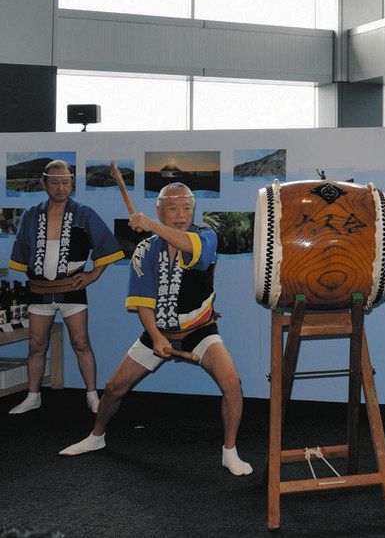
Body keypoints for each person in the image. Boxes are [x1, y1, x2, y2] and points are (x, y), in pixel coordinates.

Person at [57, 183, 252, 476]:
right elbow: (142, 302)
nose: (181, 215)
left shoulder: (206, 236)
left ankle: (230, 451)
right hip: (157, 331)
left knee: (232, 383)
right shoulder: (146, 249)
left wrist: (150, 225)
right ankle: (96, 436)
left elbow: (193, 249)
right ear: (159, 210)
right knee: (113, 387)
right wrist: (158, 337)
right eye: (172, 208)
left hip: (200, 330)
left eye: (187, 208)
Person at [7, 160, 124, 415]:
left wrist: (93, 275)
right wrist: (34, 276)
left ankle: (92, 395)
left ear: (72, 184)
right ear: (44, 183)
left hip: (72, 288)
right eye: (55, 182)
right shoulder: (31, 214)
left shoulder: (84, 213)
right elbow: (23, 251)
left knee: (81, 342)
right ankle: (33, 395)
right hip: (39, 290)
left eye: (66, 182)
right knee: (36, 345)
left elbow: (106, 243)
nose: (61, 187)